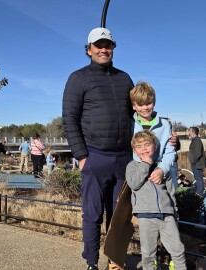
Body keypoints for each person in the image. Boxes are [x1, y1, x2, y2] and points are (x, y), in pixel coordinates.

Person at [62, 27, 135, 270]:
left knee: (119, 217)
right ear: (89, 49)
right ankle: (91, 262)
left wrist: (164, 134)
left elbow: (140, 113)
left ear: (113, 48)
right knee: (92, 215)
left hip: (123, 158)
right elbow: (70, 119)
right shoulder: (78, 78)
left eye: (108, 45)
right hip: (95, 157)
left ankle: (115, 262)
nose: (104, 49)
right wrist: (82, 156)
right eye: (99, 45)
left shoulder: (125, 78)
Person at [126, 130, 186, 270]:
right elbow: (134, 183)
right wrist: (146, 165)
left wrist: (174, 212)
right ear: (134, 150)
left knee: (178, 250)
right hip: (146, 215)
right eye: (139, 146)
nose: (144, 149)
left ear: (155, 147)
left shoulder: (162, 168)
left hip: (167, 214)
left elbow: (170, 192)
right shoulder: (132, 166)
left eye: (147, 145)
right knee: (148, 254)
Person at [188, 127, 206, 196]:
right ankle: (199, 191)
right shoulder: (194, 140)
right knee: (197, 177)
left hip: (197, 163)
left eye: (190, 131)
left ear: (193, 132)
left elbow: (198, 153)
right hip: (195, 163)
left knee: (199, 178)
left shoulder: (197, 141)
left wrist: (193, 161)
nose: (188, 132)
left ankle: (200, 193)